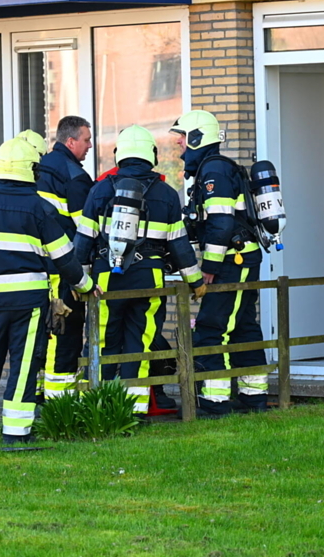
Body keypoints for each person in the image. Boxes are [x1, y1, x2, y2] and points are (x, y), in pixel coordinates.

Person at [0, 138, 96, 444]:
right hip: (30, 304)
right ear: (29, 169)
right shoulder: (38, 207)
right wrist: (86, 286)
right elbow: (64, 258)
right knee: (24, 365)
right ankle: (16, 435)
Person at [75, 125, 206, 415]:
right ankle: (135, 411)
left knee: (104, 343)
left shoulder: (100, 190)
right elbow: (180, 246)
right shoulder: (167, 194)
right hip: (150, 278)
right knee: (141, 343)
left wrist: (81, 282)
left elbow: (83, 242)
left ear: (119, 154)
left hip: (107, 279)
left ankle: (102, 408)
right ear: (152, 155)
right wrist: (196, 281)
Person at [171, 110, 269, 417]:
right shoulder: (214, 169)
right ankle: (253, 398)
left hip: (231, 259)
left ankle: (215, 402)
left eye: (184, 140)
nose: (181, 148)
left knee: (213, 328)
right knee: (242, 326)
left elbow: (221, 224)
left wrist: (209, 267)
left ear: (198, 138)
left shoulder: (213, 172)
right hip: (238, 256)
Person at [35, 117, 95, 400]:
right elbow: (87, 231)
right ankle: (60, 399)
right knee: (65, 332)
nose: (90, 145)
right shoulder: (74, 177)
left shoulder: (38, 170)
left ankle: (37, 391)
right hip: (63, 270)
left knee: (42, 330)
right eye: (86, 139)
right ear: (70, 141)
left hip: (36, 269)